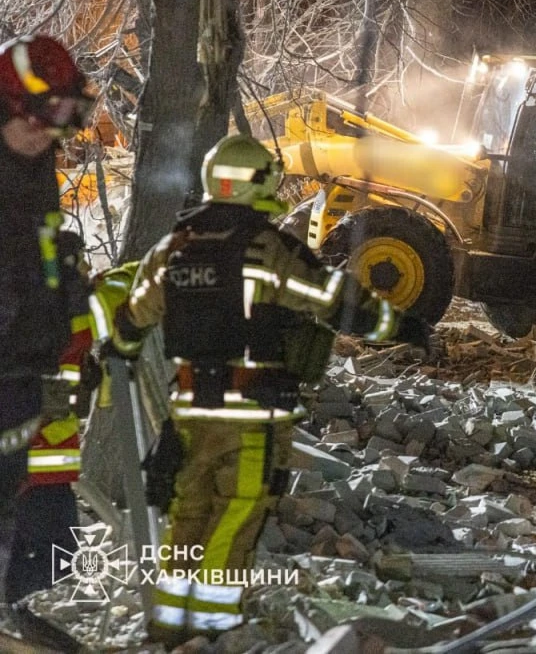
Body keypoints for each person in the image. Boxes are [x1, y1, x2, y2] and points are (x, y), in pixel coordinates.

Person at [111, 133, 406, 645]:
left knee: (189, 514)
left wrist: (116, 352)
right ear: (258, 184)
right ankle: (212, 628)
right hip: (250, 416)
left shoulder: (171, 250)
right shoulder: (266, 249)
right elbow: (331, 300)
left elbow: (131, 322)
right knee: (238, 512)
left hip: (188, 413)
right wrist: (401, 325)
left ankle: (168, 625)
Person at [0, 35, 92, 603]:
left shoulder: (31, 168)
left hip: (28, 373)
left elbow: (41, 268)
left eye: (65, 116)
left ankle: (26, 613)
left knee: (39, 514)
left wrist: (66, 339)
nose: (50, 133)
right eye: (42, 116)